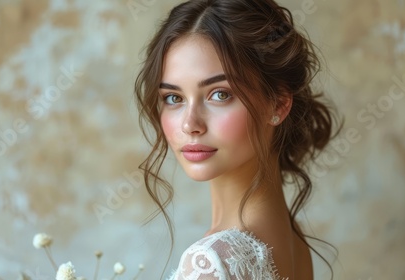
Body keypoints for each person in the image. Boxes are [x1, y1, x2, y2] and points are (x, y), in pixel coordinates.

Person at [134, 0, 339, 279]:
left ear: (277, 104)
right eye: (174, 98)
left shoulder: (214, 261)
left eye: (220, 94)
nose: (189, 124)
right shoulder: (291, 238)